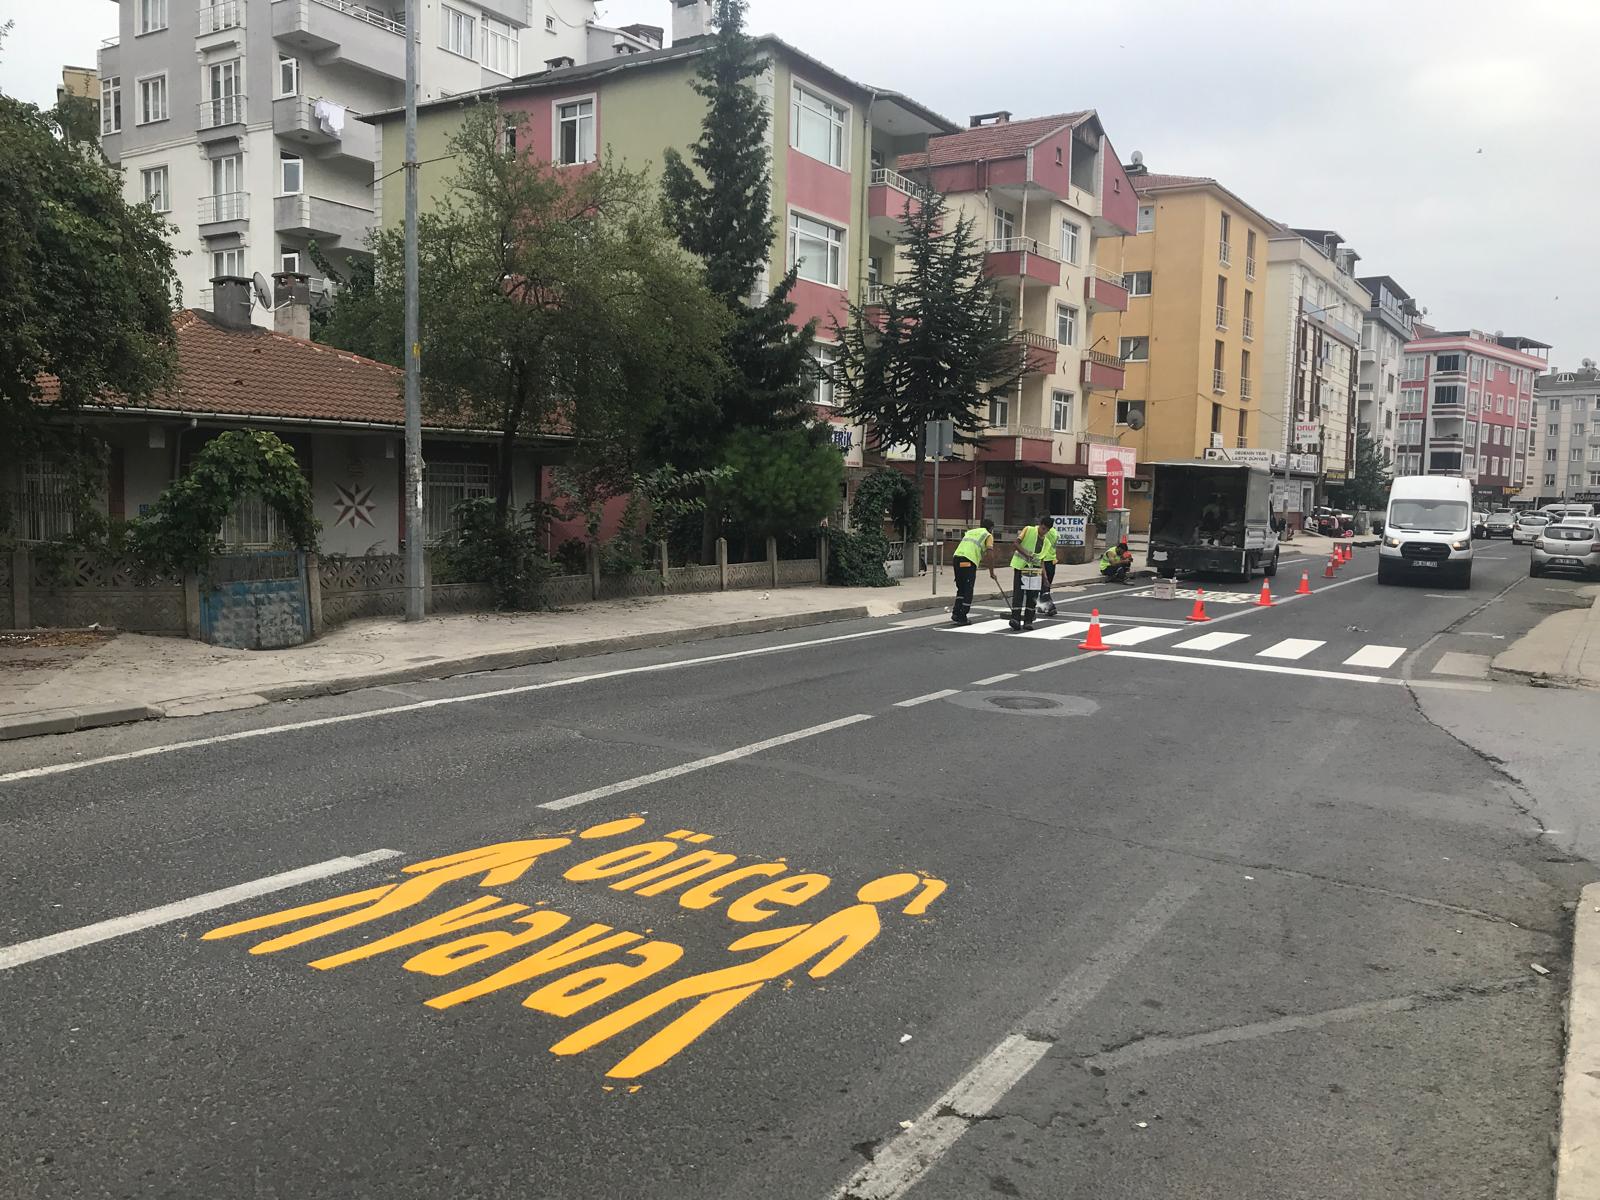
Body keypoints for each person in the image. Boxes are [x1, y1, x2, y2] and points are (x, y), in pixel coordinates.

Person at [950, 518, 996, 625]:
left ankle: (956, 613)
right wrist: (991, 572)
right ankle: (962, 616)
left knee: (961, 588)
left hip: (957, 559)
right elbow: (990, 555)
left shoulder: (971, 532)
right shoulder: (988, 535)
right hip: (968, 561)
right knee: (968, 588)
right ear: (991, 528)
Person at [1008, 516, 1046, 630]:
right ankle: (1015, 619)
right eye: (1043, 528)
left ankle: (1028, 621)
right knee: (1018, 593)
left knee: (1032, 595)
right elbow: (1016, 543)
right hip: (1021, 567)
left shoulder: (1046, 541)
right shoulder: (1028, 530)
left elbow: (1042, 559)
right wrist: (1026, 554)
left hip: (1035, 570)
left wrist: (1045, 577)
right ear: (1040, 524)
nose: (1044, 531)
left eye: (1047, 530)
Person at [1036, 519, 1062, 618]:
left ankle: (1051, 607)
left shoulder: (1044, 532)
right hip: (1052, 561)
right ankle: (1042, 606)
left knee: (1043, 585)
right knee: (1046, 585)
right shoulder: (1055, 532)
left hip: (1044, 560)